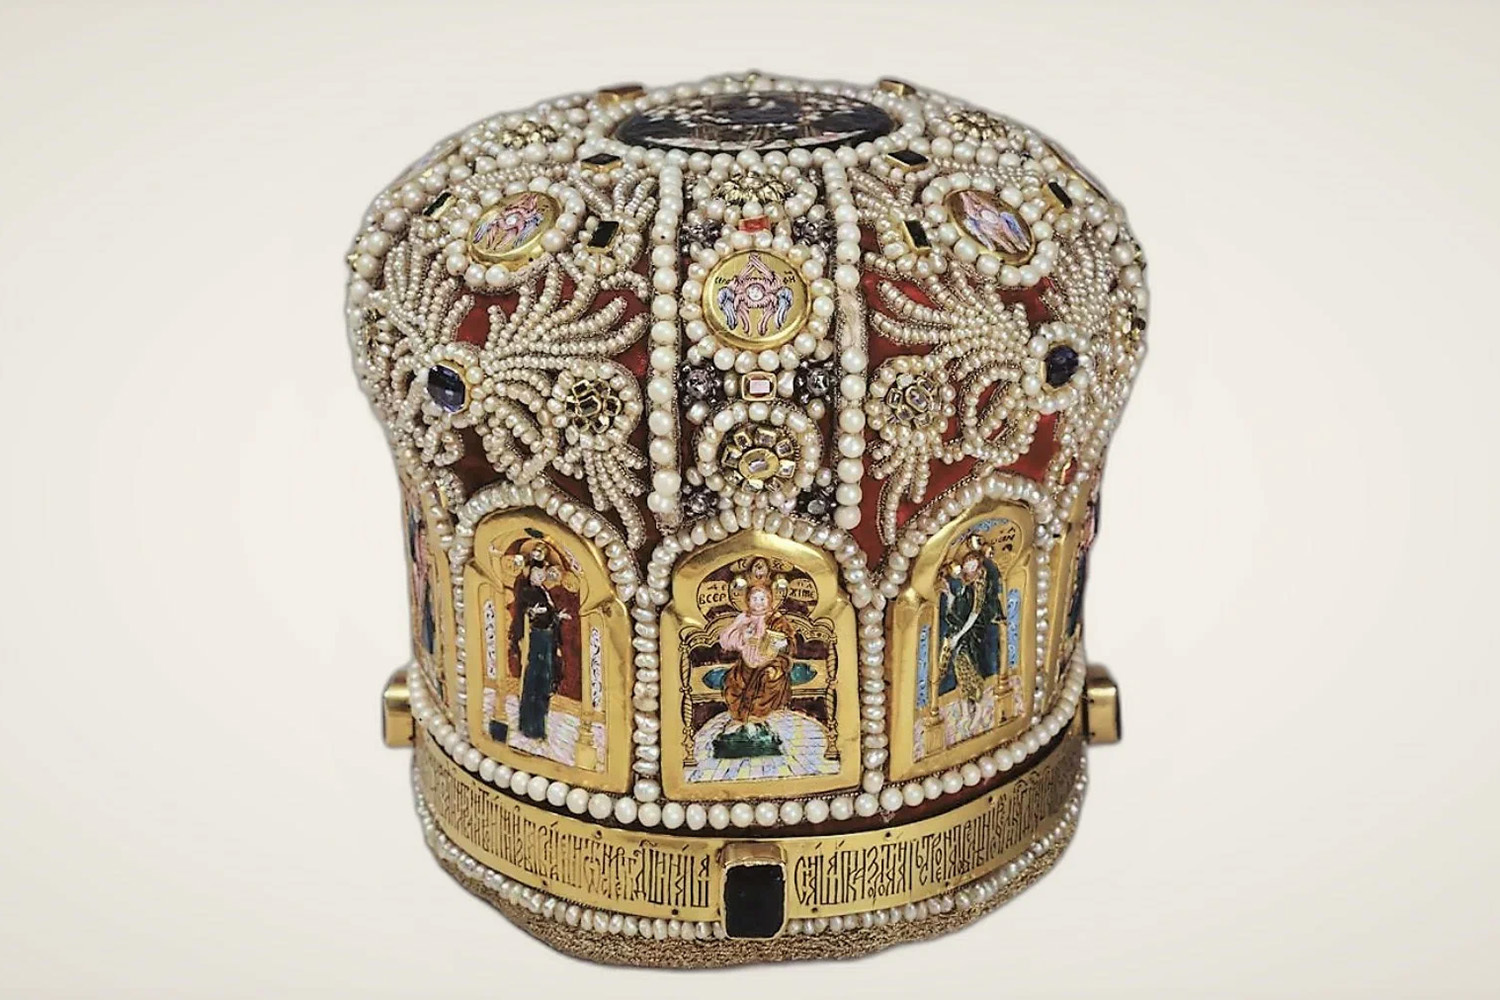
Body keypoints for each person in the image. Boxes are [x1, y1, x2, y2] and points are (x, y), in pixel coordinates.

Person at [937, 539, 1005, 731]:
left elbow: (974, 614)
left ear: (978, 567)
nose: (967, 568)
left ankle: (980, 711)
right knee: (960, 674)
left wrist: (959, 636)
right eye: (967, 564)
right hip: (960, 632)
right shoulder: (965, 585)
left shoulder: (979, 587)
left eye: (972, 565)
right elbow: (957, 608)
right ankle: (966, 714)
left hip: (971, 634)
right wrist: (949, 595)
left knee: (970, 673)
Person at [718, 581, 794, 739]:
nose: (758, 603)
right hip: (747, 661)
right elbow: (726, 640)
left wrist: (783, 643)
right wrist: (743, 637)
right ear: (747, 600)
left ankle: (757, 717)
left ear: (770, 599)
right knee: (735, 683)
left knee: (768, 677)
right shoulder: (743, 618)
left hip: (772, 660)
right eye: (754, 599)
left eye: (762, 599)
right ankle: (740, 719)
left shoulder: (776, 619)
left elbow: (789, 640)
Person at [511, 548, 569, 740]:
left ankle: (538, 726)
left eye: (542, 574)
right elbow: (527, 612)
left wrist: (556, 616)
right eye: (537, 574)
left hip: (546, 637)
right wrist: (534, 613)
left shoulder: (543, 591)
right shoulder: (528, 592)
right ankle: (531, 726)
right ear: (530, 573)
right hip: (538, 638)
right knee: (536, 680)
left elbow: (547, 613)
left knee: (544, 679)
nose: (540, 577)